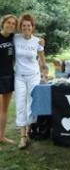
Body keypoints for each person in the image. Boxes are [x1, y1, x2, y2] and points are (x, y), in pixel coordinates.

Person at [14, 14, 47, 149]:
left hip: (34, 75)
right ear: (20, 27)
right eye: (24, 25)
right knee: (20, 104)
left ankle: (28, 131)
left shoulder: (38, 41)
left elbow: (42, 60)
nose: (26, 27)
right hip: (19, 76)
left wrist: (44, 74)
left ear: (32, 27)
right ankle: (22, 137)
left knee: (31, 104)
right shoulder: (15, 39)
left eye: (29, 25)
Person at [0, 14, 18, 145]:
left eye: (13, 24)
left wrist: (40, 41)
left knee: (4, 109)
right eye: (8, 22)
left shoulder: (14, 38)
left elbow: (28, 37)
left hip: (8, 76)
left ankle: (1, 136)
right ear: (3, 23)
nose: (10, 25)